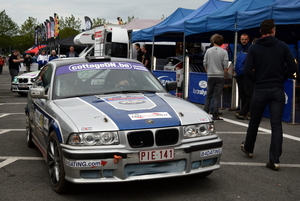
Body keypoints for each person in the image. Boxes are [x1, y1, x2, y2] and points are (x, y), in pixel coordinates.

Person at [241, 19, 297, 171]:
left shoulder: (254, 48)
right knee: (276, 124)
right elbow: (292, 66)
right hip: (277, 89)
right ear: (273, 30)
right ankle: (275, 160)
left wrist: (257, 79)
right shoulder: (282, 46)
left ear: (260, 32)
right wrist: (282, 77)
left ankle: (249, 148)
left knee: (254, 121)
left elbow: (246, 71)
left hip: (260, 88)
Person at [203, 34, 229, 120]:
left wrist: (208, 71)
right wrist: (224, 74)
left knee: (209, 95)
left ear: (213, 41)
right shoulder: (224, 52)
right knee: (217, 96)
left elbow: (205, 63)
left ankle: (205, 112)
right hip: (220, 75)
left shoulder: (208, 51)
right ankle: (215, 114)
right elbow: (225, 65)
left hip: (210, 75)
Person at [234, 33, 252, 120]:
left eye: (245, 39)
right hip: (239, 74)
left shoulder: (250, 48)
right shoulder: (239, 48)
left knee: (248, 93)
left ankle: (247, 111)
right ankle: (244, 110)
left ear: (248, 40)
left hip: (246, 74)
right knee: (242, 94)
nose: (244, 41)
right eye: (242, 39)